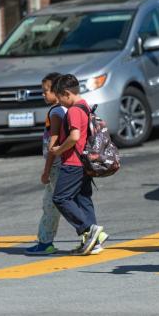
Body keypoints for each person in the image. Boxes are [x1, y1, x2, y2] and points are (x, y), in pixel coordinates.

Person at [50, 74, 107, 256]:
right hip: (84, 162)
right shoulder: (85, 107)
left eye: (59, 98)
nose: (59, 102)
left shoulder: (74, 110)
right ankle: (94, 242)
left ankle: (89, 229)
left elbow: (74, 137)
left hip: (73, 162)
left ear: (66, 93)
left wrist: (59, 150)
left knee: (60, 197)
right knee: (83, 199)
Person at [25, 72, 67, 255]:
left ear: (56, 91)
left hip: (57, 166)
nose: (43, 94)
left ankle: (45, 242)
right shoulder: (65, 110)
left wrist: (46, 171)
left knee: (54, 204)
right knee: (62, 203)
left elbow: (53, 145)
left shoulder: (56, 112)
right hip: (65, 165)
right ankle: (89, 233)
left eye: (45, 91)